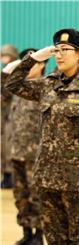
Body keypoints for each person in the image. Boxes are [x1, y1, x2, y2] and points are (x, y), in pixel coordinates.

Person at [5, 28, 79, 245]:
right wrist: (32, 59)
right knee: (54, 240)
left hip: (76, 180)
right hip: (46, 178)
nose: (60, 55)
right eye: (57, 50)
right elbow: (12, 84)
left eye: (66, 50)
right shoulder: (48, 85)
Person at [2, 48, 46, 245]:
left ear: (43, 64)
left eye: (33, 63)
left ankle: (39, 234)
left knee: (37, 197)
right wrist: (5, 72)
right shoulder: (17, 90)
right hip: (17, 152)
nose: (28, 68)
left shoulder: (43, 88)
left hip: (35, 154)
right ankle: (26, 231)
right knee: (21, 197)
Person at [1, 43, 18, 189]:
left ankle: (9, 176)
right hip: (4, 114)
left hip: (14, 115)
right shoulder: (4, 72)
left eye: (6, 55)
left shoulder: (18, 72)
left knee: (9, 147)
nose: (4, 58)